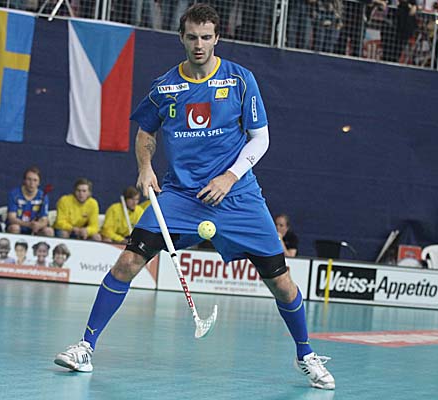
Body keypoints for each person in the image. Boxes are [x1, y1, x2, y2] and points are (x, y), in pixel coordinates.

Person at [54, 4, 335, 390]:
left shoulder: (240, 80)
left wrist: (229, 177)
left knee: (281, 282)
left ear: (217, 38)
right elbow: (146, 133)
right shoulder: (164, 86)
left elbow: (261, 138)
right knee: (128, 261)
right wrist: (145, 167)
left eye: (206, 37)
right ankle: (85, 346)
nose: (199, 44)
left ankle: (305, 354)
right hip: (180, 196)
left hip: (238, 197)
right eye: (192, 37)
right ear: (181, 38)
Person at [6, 166, 54, 237]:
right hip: (19, 225)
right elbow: (12, 218)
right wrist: (28, 224)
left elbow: (44, 219)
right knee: (15, 228)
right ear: (24, 181)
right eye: (29, 179)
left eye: (35, 180)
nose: (32, 183)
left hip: (34, 229)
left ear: (39, 183)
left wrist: (38, 225)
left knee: (49, 231)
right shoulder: (14, 194)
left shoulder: (43, 196)